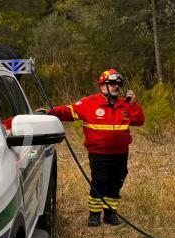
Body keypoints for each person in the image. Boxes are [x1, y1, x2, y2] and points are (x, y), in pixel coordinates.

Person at [45, 69, 145, 227]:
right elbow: (68, 111)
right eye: (112, 83)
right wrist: (50, 113)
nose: (116, 87)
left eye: (118, 84)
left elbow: (139, 120)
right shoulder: (89, 103)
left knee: (116, 182)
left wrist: (133, 104)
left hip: (120, 153)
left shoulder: (125, 105)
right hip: (99, 153)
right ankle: (94, 215)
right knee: (100, 181)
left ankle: (110, 214)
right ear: (102, 86)